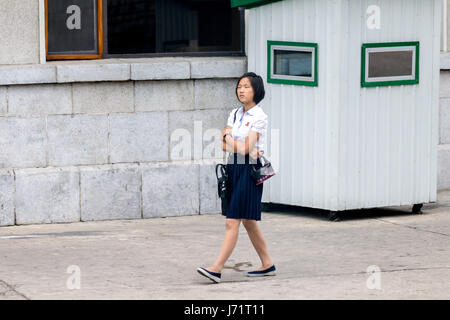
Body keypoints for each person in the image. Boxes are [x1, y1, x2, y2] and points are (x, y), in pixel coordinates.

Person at [197, 72, 276, 283]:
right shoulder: (234, 114)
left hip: (249, 171)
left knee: (232, 221)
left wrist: (236, 143)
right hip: (233, 166)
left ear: (256, 91)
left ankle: (216, 268)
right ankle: (267, 264)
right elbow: (224, 144)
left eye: (247, 87)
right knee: (248, 221)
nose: (241, 90)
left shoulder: (260, 117)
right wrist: (239, 146)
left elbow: (242, 146)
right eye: (239, 86)